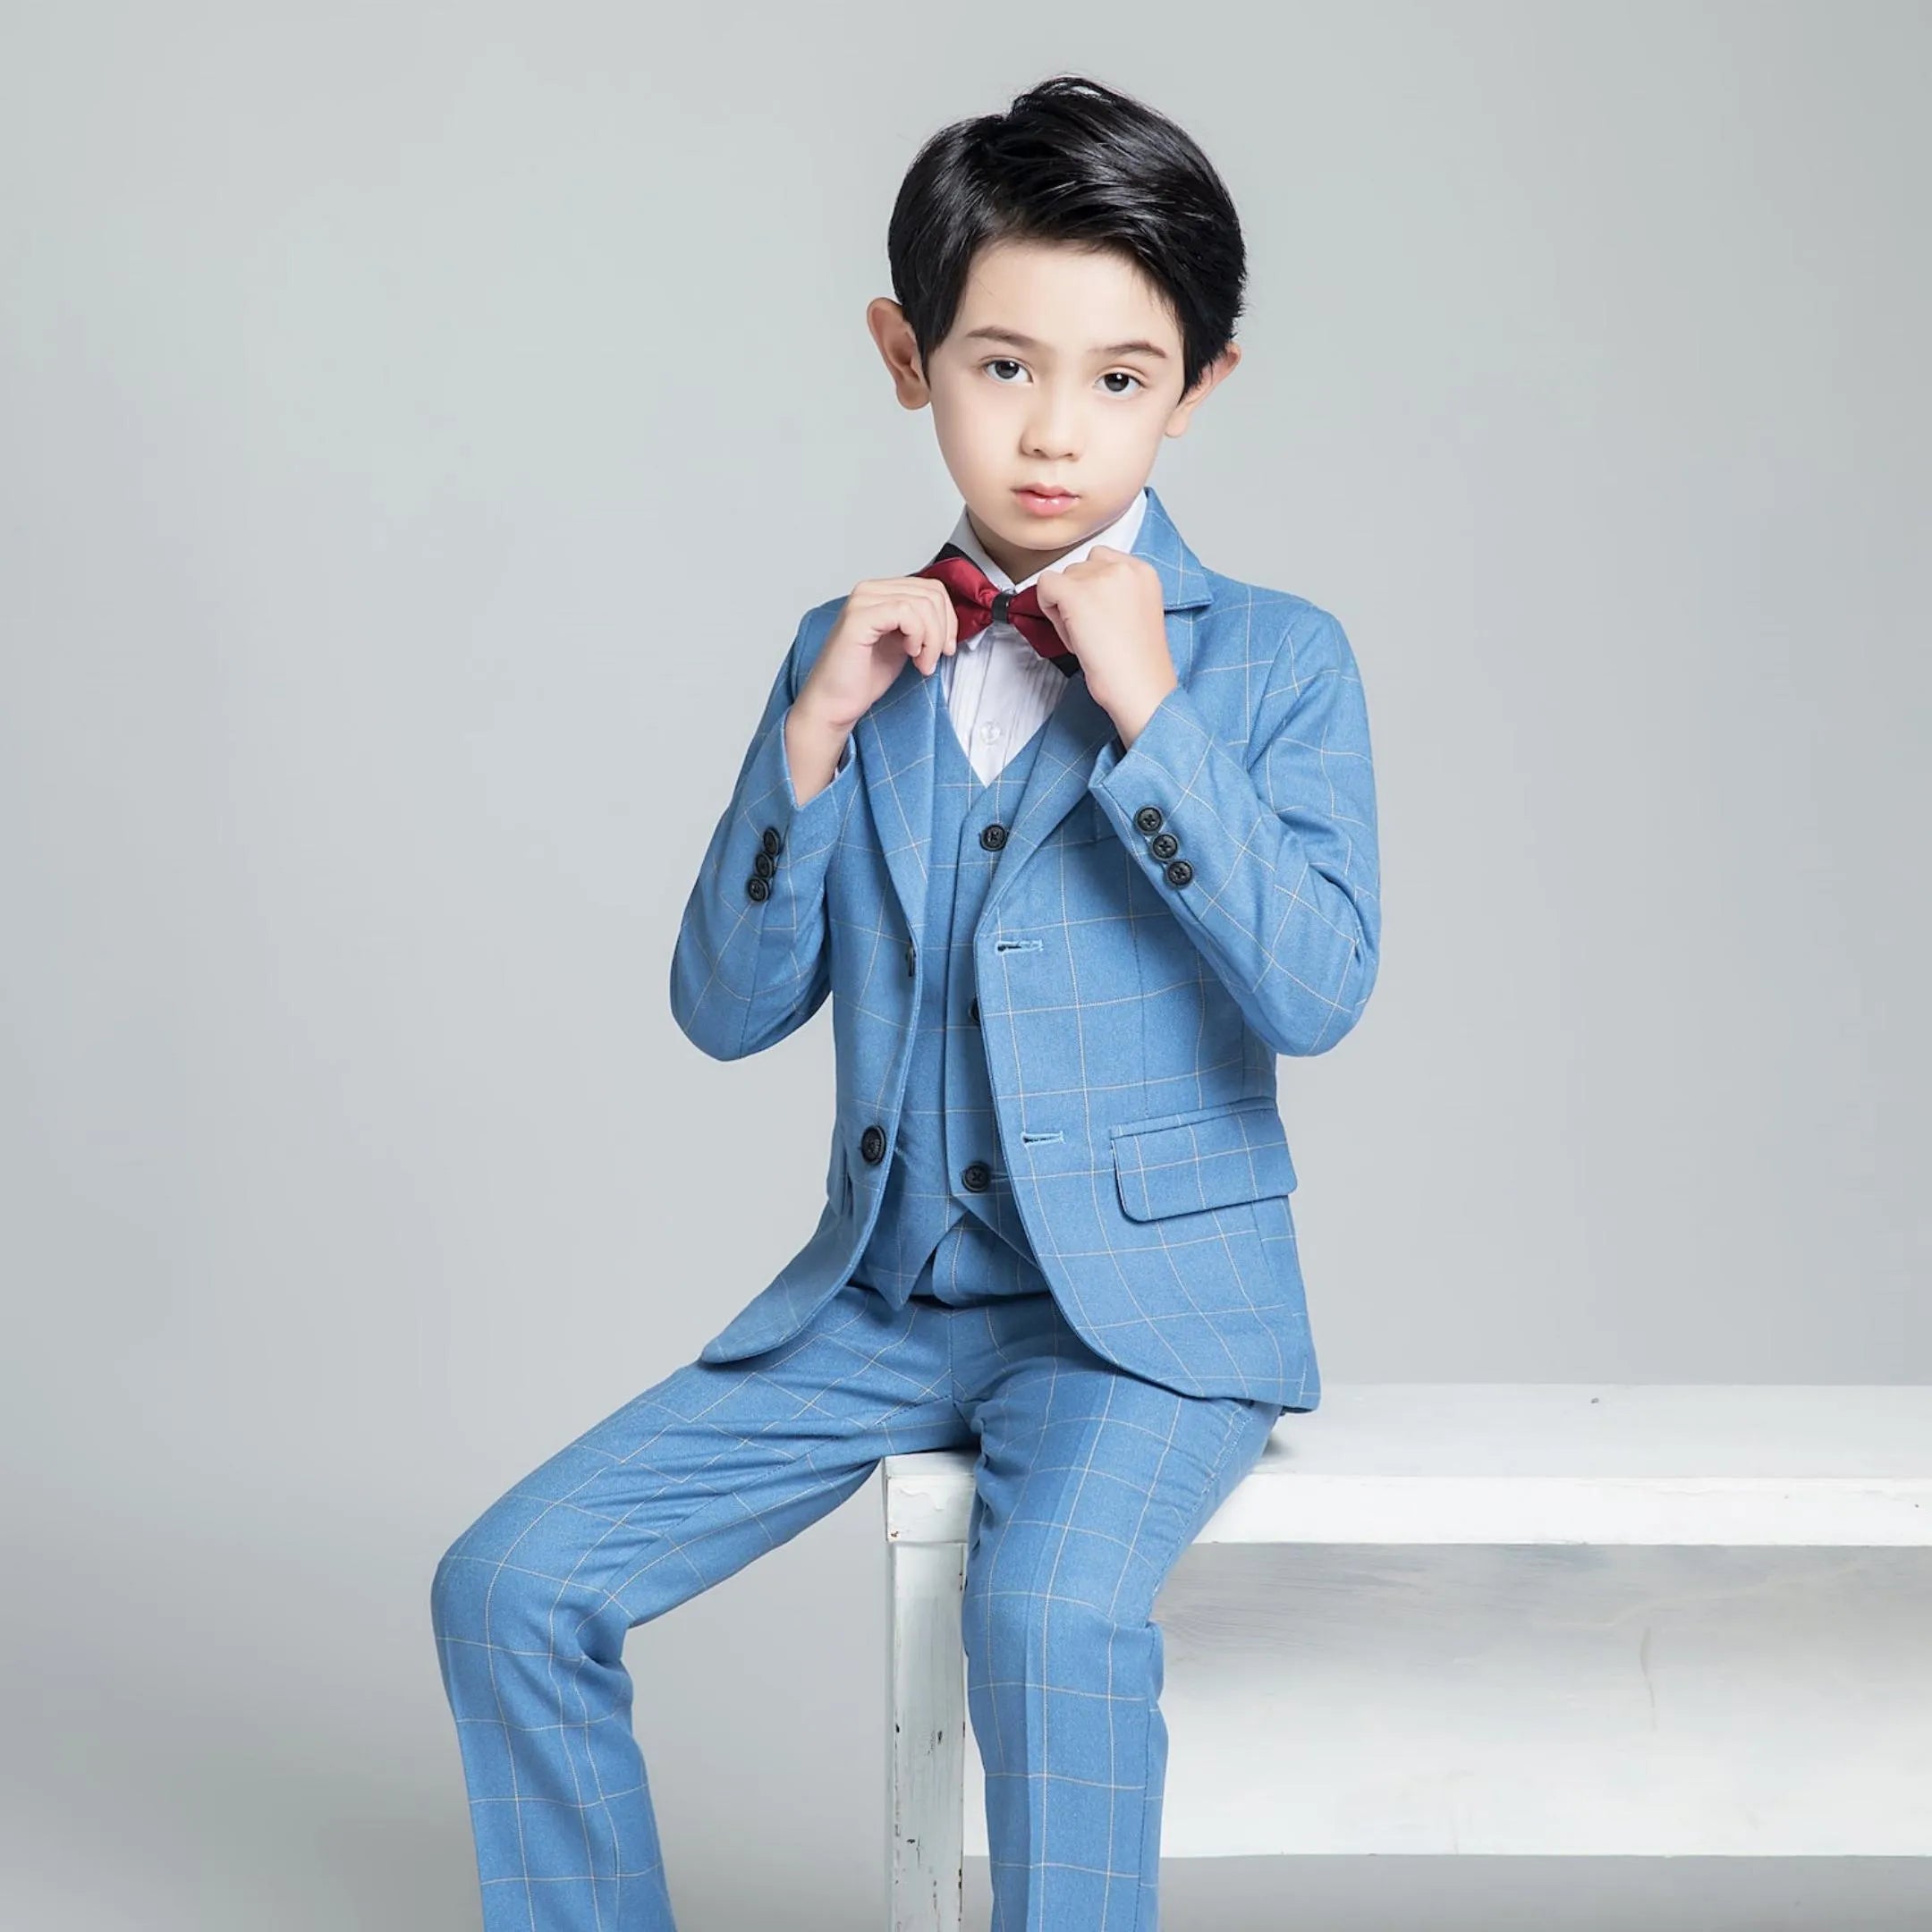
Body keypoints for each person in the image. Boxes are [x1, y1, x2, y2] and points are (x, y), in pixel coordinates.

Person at [431, 71, 1382, 1932]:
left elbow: (1321, 985)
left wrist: (1151, 723)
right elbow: (723, 1008)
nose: (1053, 430)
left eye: (1120, 378)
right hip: (884, 1296)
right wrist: (806, 738)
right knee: (512, 1584)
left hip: (1142, 1324)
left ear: (1202, 389)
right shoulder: (849, 650)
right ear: (906, 354)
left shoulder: (1271, 662)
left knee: (1045, 1615)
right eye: (1000, 365)